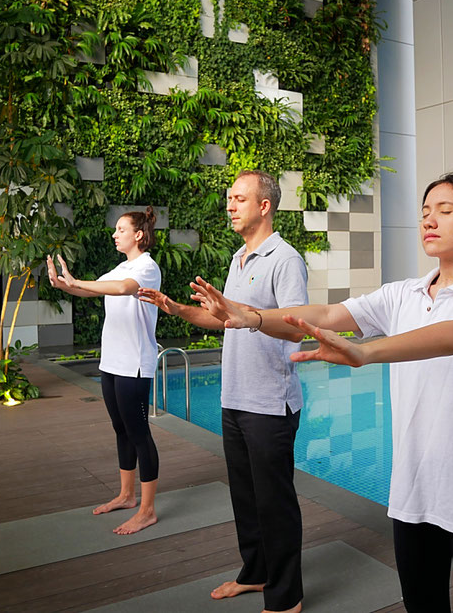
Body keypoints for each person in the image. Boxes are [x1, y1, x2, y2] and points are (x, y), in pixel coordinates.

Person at [192, 172, 453, 613]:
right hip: (414, 494)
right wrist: (250, 316)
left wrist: (365, 352)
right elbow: (329, 312)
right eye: (425, 213)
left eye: (445, 212)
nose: (429, 221)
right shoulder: (403, 294)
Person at [138, 170, 307, 613]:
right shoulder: (238, 258)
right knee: (246, 498)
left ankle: (286, 597)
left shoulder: (284, 259)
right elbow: (223, 318)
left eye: (238, 199)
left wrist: (239, 311)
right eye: (229, 198)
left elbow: (294, 327)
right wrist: (178, 309)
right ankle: (256, 573)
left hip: (270, 401)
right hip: (234, 397)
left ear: (264, 206)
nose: (229, 206)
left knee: (275, 504)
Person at [46, 206, 162, 535]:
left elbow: (125, 288)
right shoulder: (119, 267)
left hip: (135, 364)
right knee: (121, 430)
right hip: (112, 362)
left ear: (138, 235)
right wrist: (64, 284)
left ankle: (147, 510)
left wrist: (76, 281)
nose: (115, 234)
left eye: (121, 229)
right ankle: (127, 495)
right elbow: (90, 289)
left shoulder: (145, 268)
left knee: (139, 434)